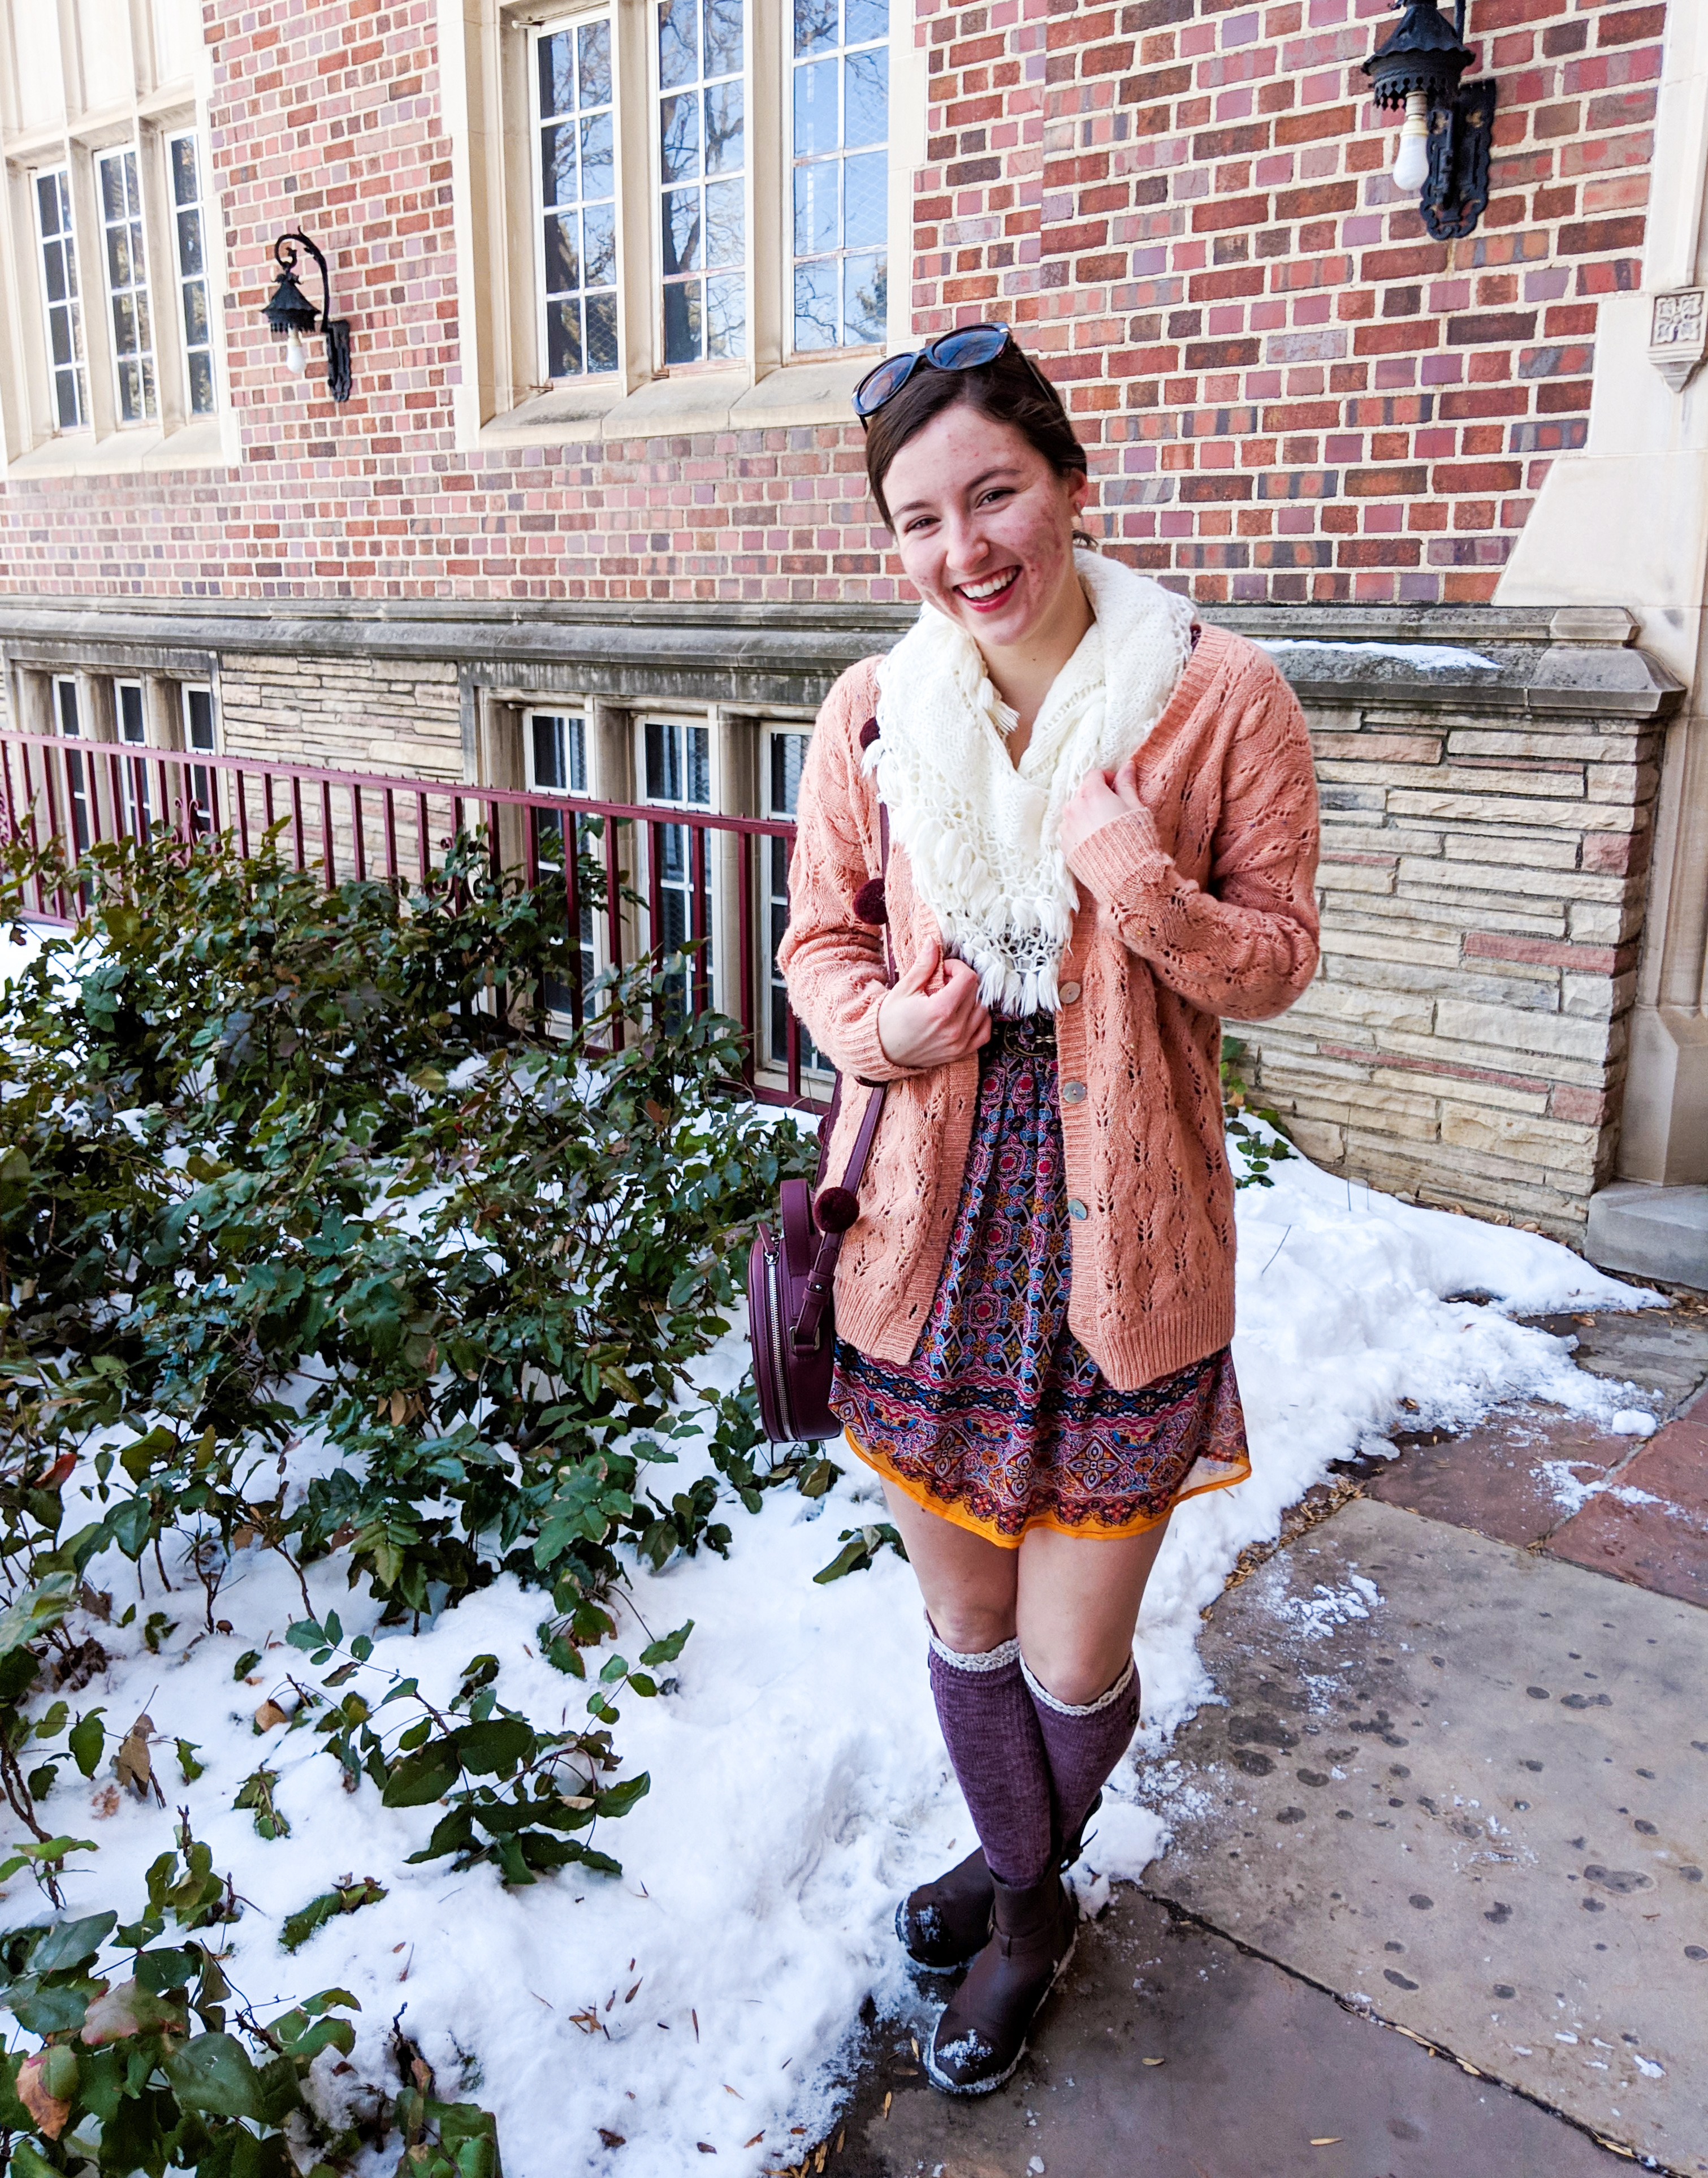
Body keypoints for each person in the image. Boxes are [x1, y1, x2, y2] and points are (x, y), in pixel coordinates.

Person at [776, 325, 1320, 2096]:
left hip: (1126, 1257)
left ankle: (1014, 1874)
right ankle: (1028, 1908)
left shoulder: (1215, 694)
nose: (964, 549)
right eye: (920, 520)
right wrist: (885, 1026)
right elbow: (817, 944)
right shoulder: (874, 710)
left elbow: (1279, 961)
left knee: (1077, 1665)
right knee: (968, 1631)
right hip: (927, 1252)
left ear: (1072, 485)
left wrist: (1139, 888)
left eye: (995, 492)